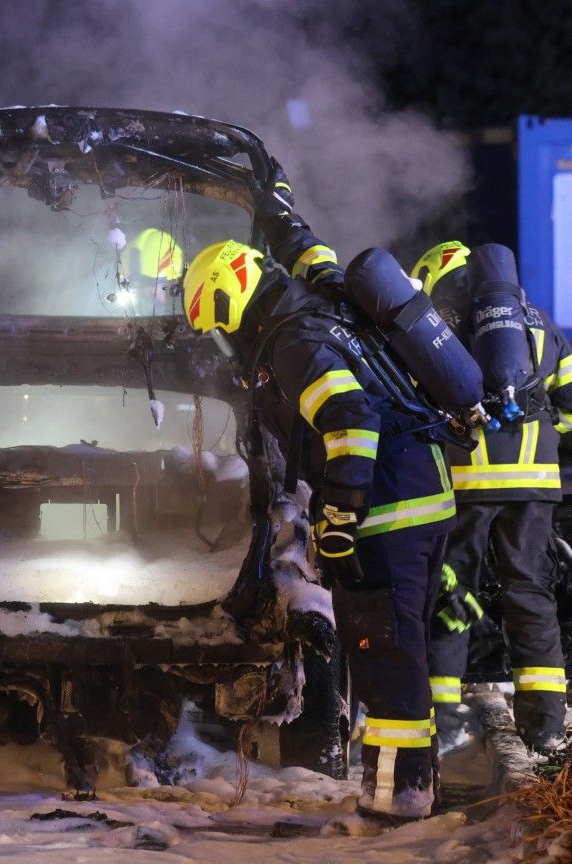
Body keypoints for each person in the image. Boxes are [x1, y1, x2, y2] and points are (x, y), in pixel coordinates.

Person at [181, 168, 480, 820]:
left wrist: (339, 514)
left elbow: (351, 418)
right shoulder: (322, 297)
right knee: (405, 652)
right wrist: (275, 201)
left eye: (221, 323)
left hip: (386, 513)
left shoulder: (291, 342)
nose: (226, 340)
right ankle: (413, 789)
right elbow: (307, 245)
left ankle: (397, 807)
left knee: (384, 658)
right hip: (424, 499)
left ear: (232, 301)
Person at [412, 240, 572, 754]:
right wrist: (540, 434)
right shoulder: (538, 324)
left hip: (466, 488)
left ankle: (441, 721)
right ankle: (545, 727)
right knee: (530, 595)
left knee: (452, 596)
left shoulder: (439, 328)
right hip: (534, 488)